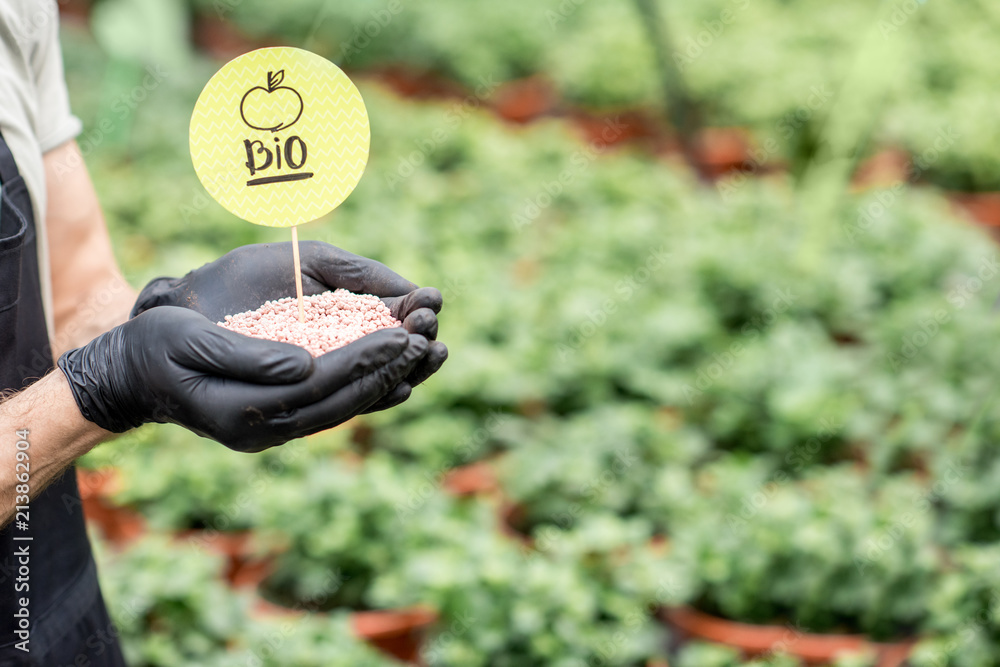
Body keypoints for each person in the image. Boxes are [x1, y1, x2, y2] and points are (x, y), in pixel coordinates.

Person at [0, 2, 448, 664]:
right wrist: (101, 389)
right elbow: (97, 380)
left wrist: (158, 312)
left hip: (51, 592)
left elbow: (73, 283)